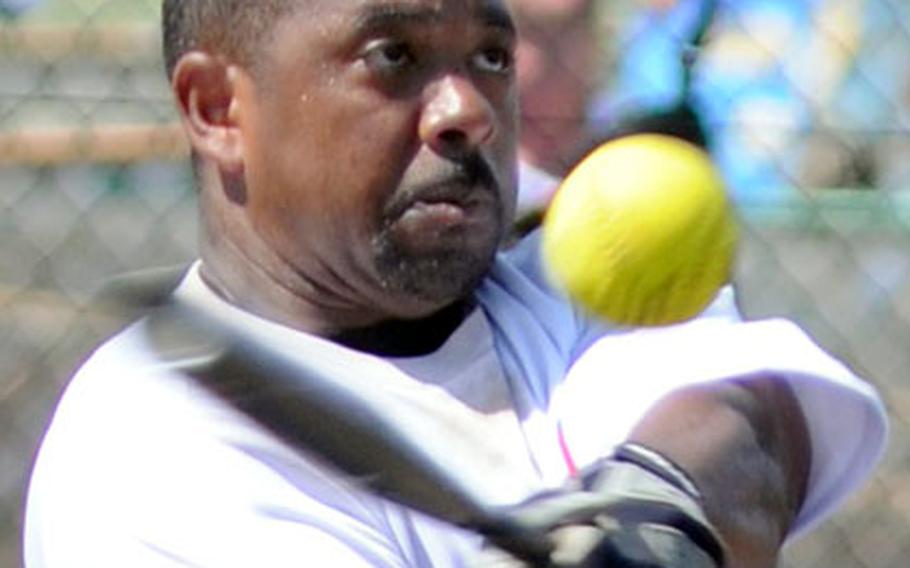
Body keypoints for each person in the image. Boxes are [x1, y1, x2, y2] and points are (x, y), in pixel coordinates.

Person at [24, 1, 887, 567]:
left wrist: (656, 511)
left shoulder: (560, 246)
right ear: (218, 108)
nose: (466, 109)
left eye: (490, 55)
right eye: (392, 56)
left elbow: (753, 420)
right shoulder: (149, 453)